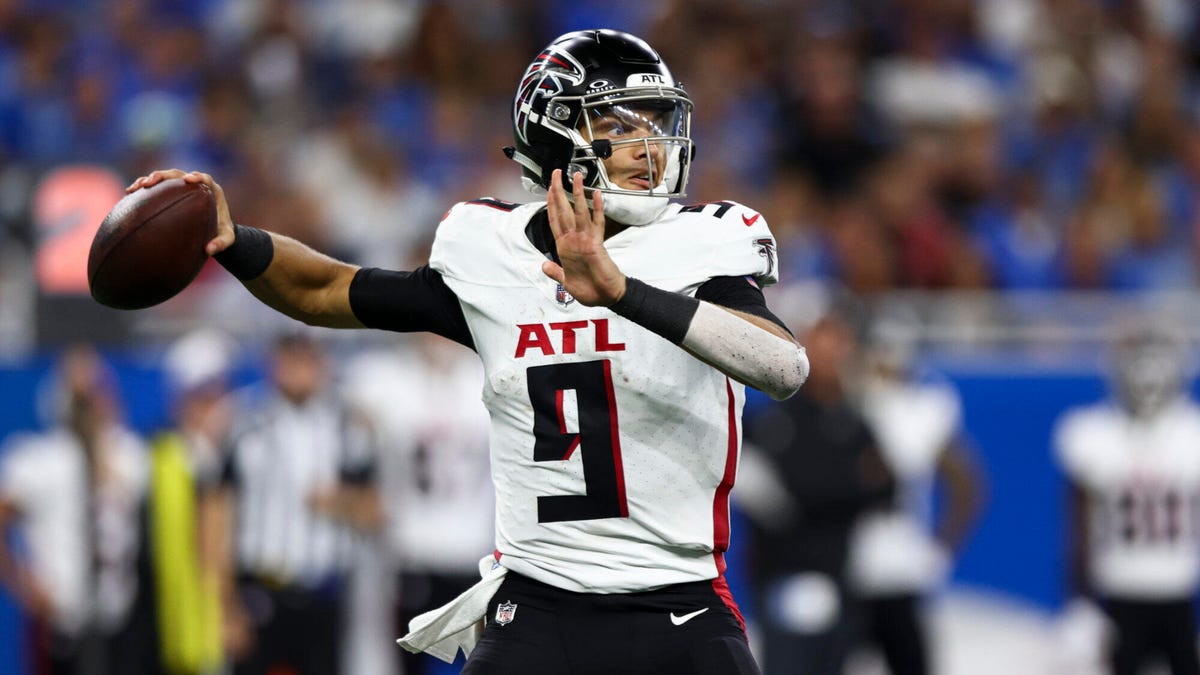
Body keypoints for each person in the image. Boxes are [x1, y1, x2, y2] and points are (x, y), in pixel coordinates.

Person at [128, 28, 808, 674]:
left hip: (678, 600)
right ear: (558, 137)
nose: (649, 145)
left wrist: (622, 291)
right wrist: (233, 239)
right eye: (621, 126)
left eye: (654, 121)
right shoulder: (493, 255)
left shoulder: (700, 243)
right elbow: (327, 289)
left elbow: (784, 366)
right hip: (541, 603)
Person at [200, 333, 382, 675]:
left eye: (306, 355)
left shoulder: (348, 424)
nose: (297, 367)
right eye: (289, 355)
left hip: (325, 594)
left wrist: (340, 501)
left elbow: (375, 511)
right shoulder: (241, 420)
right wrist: (227, 608)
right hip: (262, 589)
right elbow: (215, 516)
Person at [736, 304, 893, 675]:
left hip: (844, 573)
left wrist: (829, 490)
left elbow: (887, 488)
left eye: (839, 339)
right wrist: (850, 485)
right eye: (822, 338)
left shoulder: (856, 420)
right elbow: (791, 497)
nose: (832, 350)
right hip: (785, 573)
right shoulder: (774, 419)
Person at [342, 331, 494, 675]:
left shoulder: (483, 376)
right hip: (412, 550)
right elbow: (353, 453)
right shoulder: (381, 379)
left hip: (475, 555)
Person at [1054, 321, 1200, 675]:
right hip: (1119, 591)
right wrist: (1082, 603)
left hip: (1181, 591)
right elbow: (1081, 528)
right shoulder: (1095, 432)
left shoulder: (1191, 433)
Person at [846, 309, 985, 675]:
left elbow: (967, 484)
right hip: (843, 566)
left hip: (901, 566)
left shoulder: (923, 408)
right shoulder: (845, 402)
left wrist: (942, 547)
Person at [0, 344, 153, 675]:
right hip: (61, 622)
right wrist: (23, 582)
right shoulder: (39, 460)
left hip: (116, 618)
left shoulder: (128, 454)